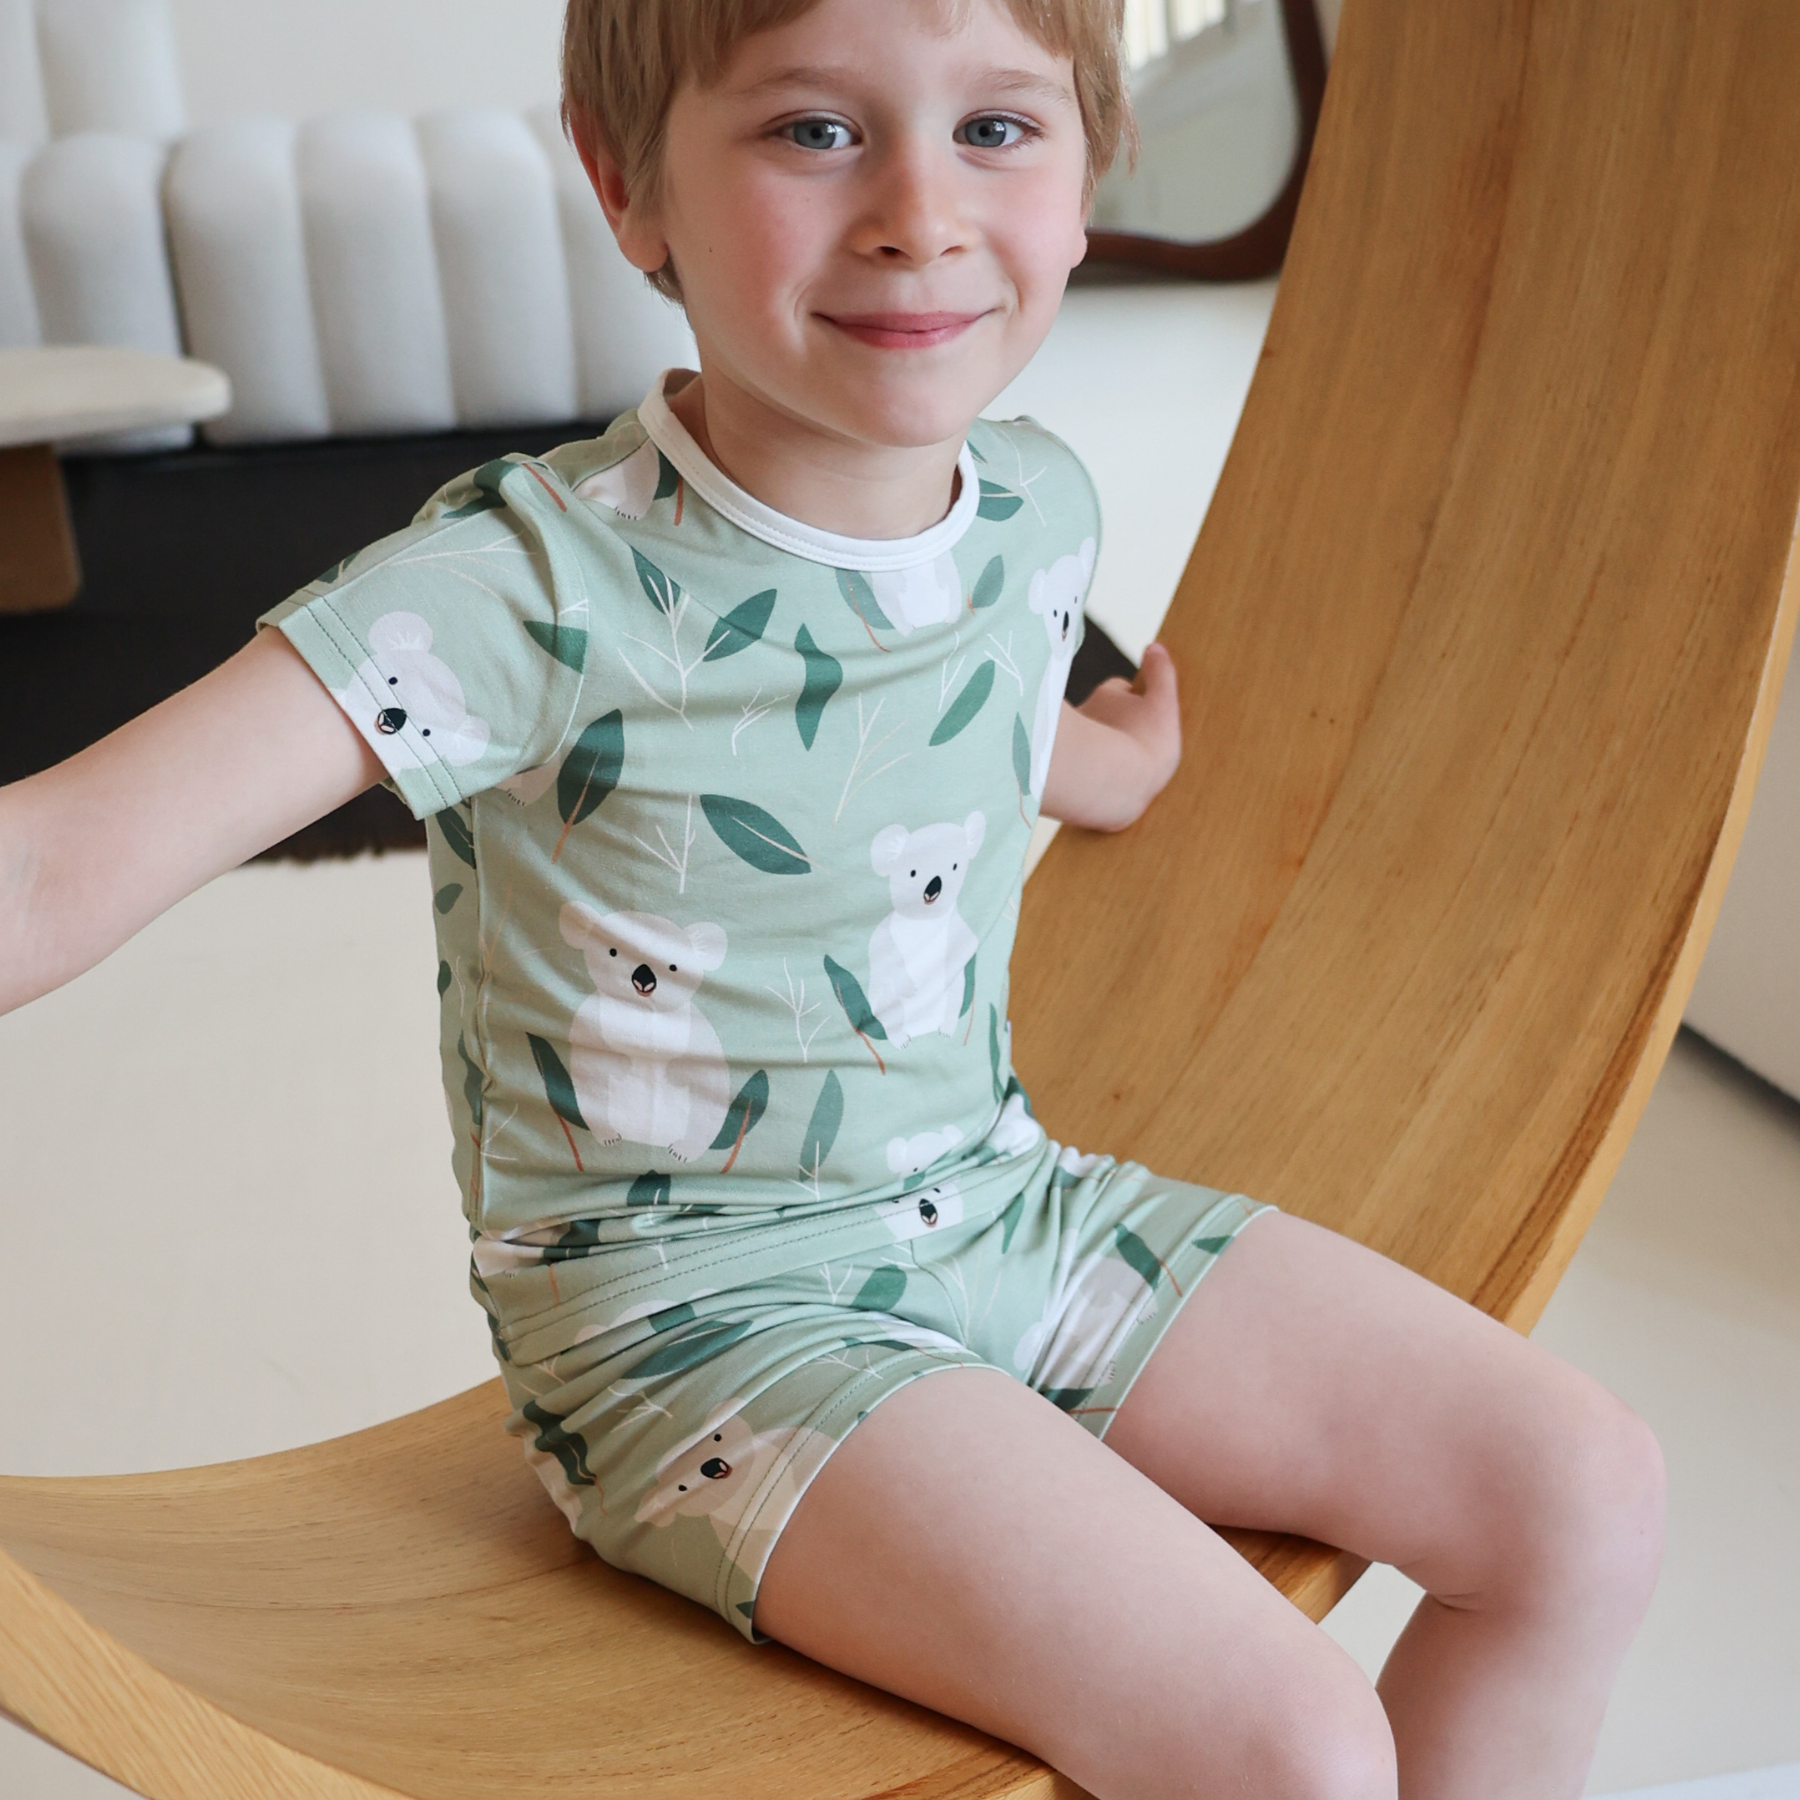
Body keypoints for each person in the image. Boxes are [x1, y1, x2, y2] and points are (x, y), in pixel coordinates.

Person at [0, 1, 1665, 1794]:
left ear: (1092, 167)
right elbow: (52, 864)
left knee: (1585, 1494)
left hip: (1002, 1209)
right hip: (690, 1325)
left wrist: (1101, 764)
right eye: (815, 131)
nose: (919, 217)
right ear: (626, 181)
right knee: (1298, 1747)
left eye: (997, 130)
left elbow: (948, 701)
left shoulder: (1031, 508)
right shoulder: (521, 589)